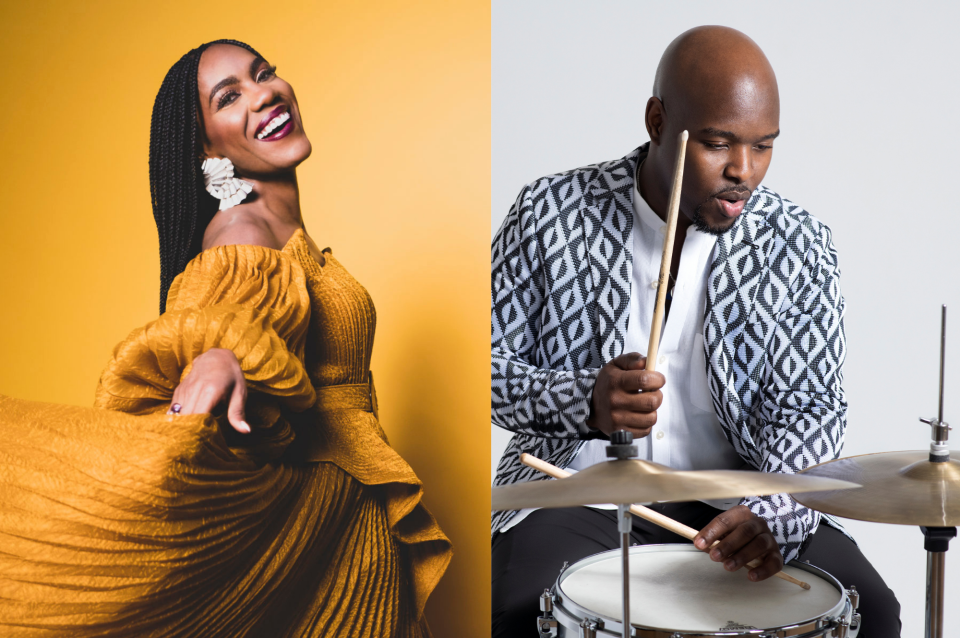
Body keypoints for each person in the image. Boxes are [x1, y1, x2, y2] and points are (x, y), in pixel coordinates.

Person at [0, 39, 451, 637]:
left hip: (342, 520)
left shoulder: (279, 227)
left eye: (264, 74)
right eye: (229, 97)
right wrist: (216, 357)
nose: (265, 94)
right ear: (205, 148)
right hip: (322, 515)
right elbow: (229, 318)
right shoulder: (242, 227)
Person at [491, 26, 899, 637]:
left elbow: (812, 406)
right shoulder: (549, 214)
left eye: (763, 146)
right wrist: (586, 402)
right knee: (524, 611)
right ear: (658, 121)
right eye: (717, 143)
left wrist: (775, 512)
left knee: (875, 614)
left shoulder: (798, 243)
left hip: (740, 500)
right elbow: (485, 368)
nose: (743, 170)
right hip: (579, 493)